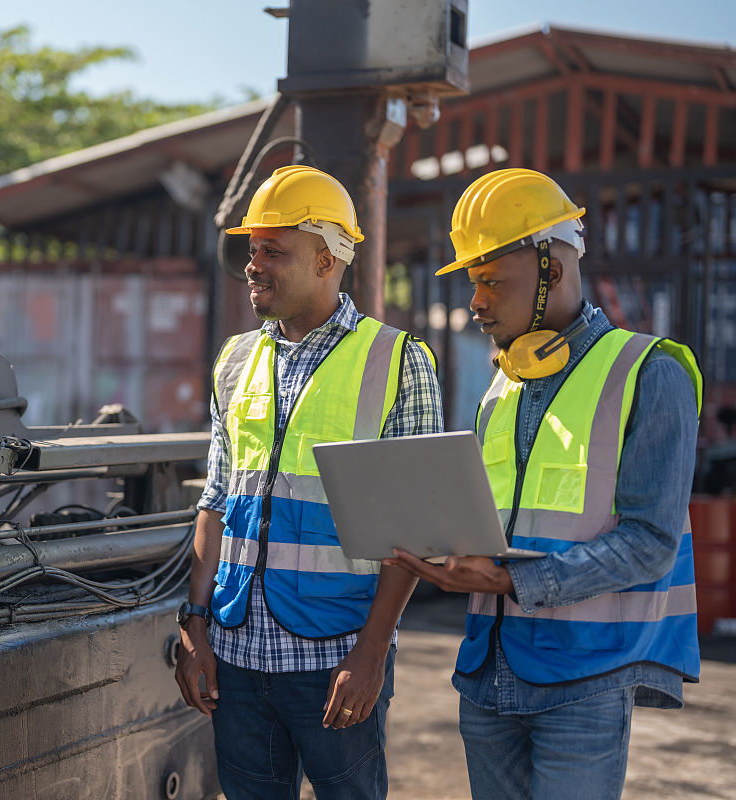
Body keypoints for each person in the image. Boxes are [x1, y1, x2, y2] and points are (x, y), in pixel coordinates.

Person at [385, 167, 701, 800]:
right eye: (473, 283)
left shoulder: (649, 371)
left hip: (584, 679)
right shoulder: (501, 389)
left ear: (552, 269)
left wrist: (511, 579)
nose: (475, 302)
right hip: (486, 671)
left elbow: (649, 543)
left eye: (492, 282)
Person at [175, 165, 443, 799]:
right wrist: (193, 624)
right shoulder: (234, 359)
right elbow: (216, 500)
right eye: (252, 250)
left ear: (327, 259)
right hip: (237, 657)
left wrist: (372, 653)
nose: (253, 264)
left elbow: (416, 529)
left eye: (275, 250)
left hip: (335, 657)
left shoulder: (399, 361)